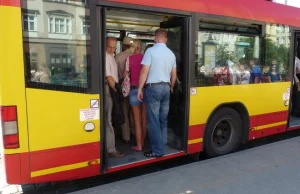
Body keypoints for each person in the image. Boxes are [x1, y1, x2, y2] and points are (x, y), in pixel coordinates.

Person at [137, 28, 177, 158]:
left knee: (153, 120)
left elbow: (144, 71)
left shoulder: (150, 51)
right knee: (163, 120)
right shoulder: (171, 53)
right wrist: (171, 87)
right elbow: (174, 75)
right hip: (166, 87)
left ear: (155, 38)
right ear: (165, 39)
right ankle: (162, 147)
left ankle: (157, 151)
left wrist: (139, 89)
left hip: (153, 88)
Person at [123, 39, 148, 151]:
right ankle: (143, 142)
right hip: (146, 89)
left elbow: (124, 74)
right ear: (140, 48)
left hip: (134, 90)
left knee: (137, 120)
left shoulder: (129, 59)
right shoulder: (146, 58)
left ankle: (138, 146)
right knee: (144, 119)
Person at [105, 37, 124, 158]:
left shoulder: (111, 55)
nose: (112, 49)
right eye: (109, 47)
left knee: (111, 118)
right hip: (109, 89)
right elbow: (109, 77)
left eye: (114, 47)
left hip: (112, 88)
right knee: (108, 120)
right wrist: (117, 91)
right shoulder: (106, 57)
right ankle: (111, 149)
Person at [115, 36, 134, 143]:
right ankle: (135, 132)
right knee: (134, 111)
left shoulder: (118, 56)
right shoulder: (136, 56)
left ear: (123, 45)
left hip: (123, 86)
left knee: (124, 111)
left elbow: (115, 74)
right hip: (136, 86)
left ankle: (126, 136)